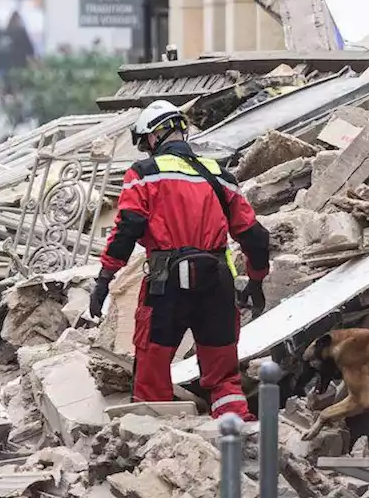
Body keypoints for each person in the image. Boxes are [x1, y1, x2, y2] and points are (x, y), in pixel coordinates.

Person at [88, 101, 271, 420]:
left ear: (155, 136)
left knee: (153, 372)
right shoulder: (220, 175)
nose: (146, 150)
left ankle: (156, 445)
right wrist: (256, 279)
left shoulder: (143, 174)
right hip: (217, 285)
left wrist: (105, 279)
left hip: (166, 286)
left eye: (145, 143)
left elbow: (127, 228)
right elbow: (255, 235)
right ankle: (238, 437)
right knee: (224, 377)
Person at [0, 11, 36, 76]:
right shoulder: (21, 31)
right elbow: (30, 48)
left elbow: (2, 48)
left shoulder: (5, 32)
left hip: (7, 64)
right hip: (20, 62)